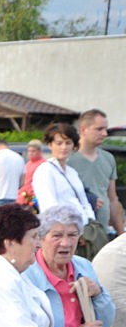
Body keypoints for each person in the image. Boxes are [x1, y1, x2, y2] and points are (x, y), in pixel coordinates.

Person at [32, 123, 101, 259]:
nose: (63, 147)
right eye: (59, 143)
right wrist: (70, 233)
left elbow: (83, 201)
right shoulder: (45, 170)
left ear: (73, 145)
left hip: (84, 230)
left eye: (68, 143)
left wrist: (88, 225)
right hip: (63, 235)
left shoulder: (72, 172)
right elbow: (50, 207)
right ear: (50, 144)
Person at [68, 109, 124, 237]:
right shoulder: (69, 160)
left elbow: (112, 199)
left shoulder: (108, 158)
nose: (104, 133)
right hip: (78, 234)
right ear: (83, 130)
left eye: (106, 129)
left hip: (102, 232)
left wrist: (121, 235)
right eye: (99, 129)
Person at [18, 139, 45, 207]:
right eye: (29, 151)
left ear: (39, 151)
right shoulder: (29, 163)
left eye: (33, 151)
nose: (30, 153)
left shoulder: (43, 165)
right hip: (23, 197)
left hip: (32, 199)